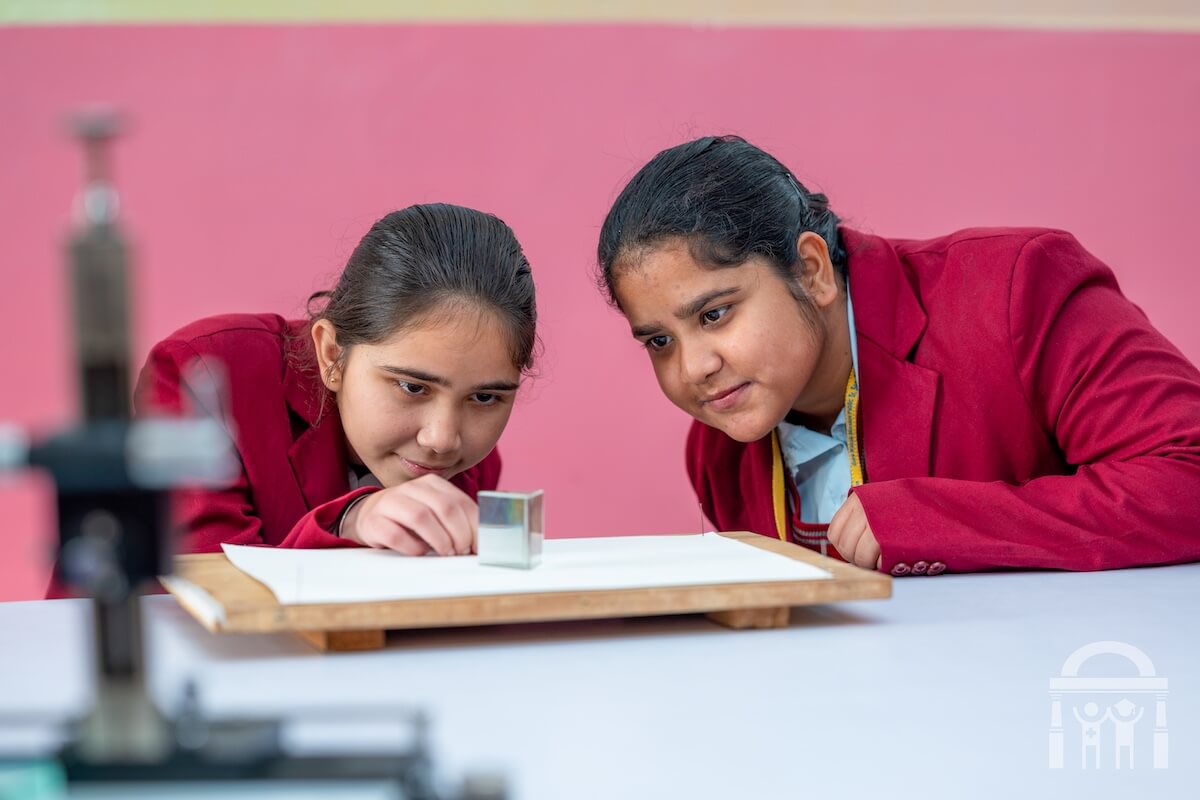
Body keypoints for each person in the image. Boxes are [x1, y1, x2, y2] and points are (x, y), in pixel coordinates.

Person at [596, 135, 1200, 575]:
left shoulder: (1014, 293)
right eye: (658, 341)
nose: (693, 368)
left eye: (715, 314)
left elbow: (1188, 473)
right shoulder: (720, 451)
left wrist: (936, 520)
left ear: (811, 271)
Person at [137, 203, 537, 556]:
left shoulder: (470, 459)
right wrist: (348, 521)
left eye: (485, 397)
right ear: (331, 353)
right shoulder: (204, 373)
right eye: (413, 387)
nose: (443, 440)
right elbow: (208, 592)